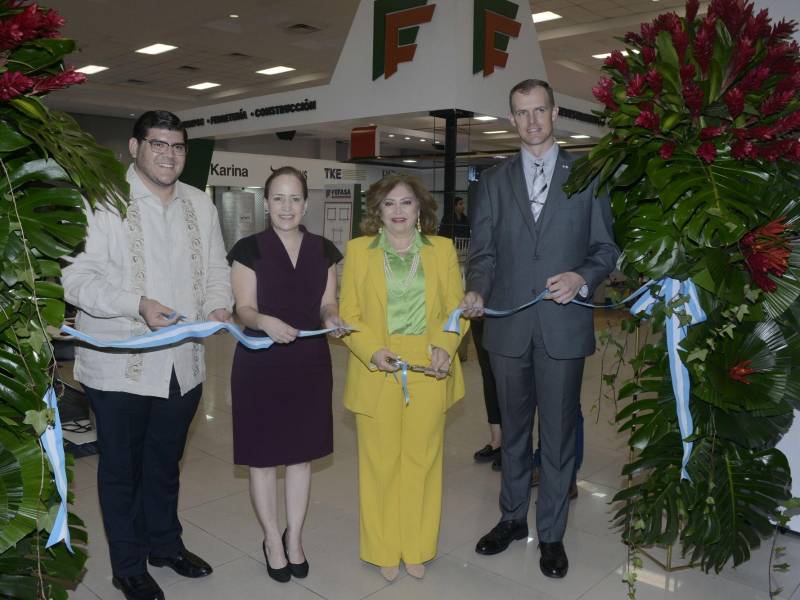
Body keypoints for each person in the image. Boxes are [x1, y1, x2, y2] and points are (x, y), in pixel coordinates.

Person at [62, 110, 233, 600]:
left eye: (178, 147)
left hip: (183, 364)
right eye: (158, 144)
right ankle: (128, 565)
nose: (169, 154)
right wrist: (136, 305)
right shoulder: (101, 200)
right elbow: (76, 279)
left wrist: (219, 304)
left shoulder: (200, 205)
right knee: (121, 469)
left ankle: (165, 545)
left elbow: (217, 267)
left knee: (164, 463)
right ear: (134, 148)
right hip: (120, 365)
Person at [460, 79, 619, 579]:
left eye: (539, 111)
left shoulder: (586, 177)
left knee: (556, 435)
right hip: (507, 330)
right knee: (511, 435)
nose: (531, 120)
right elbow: (483, 254)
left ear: (555, 113)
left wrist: (582, 278)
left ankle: (551, 534)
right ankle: (511, 519)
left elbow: (605, 249)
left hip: (562, 325)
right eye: (521, 112)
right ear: (512, 119)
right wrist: (478, 291)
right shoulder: (491, 181)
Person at [339, 172, 468, 581]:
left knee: (422, 460)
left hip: (430, 364)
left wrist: (445, 348)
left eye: (406, 203)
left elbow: (455, 308)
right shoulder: (359, 251)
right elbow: (350, 314)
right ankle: (382, 550)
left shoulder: (442, 249)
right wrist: (372, 350)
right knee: (379, 462)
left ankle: (416, 546)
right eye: (389, 203)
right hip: (377, 362)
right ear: (377, 210)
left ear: (420, 210)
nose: (397, 211)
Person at [227, 166, 345, 583]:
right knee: (262, 459)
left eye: (295, 198)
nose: (287, 207)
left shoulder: (324, 250)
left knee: (300, 459)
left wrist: (333, 318)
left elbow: (327, 303)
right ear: (265, 203)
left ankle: (294, 537)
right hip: (260, 362)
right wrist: (263, 320)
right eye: (278, 198)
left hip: (309, 364)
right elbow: (242, 309)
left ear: (307, 203)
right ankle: (271, 541)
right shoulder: (248, 249)